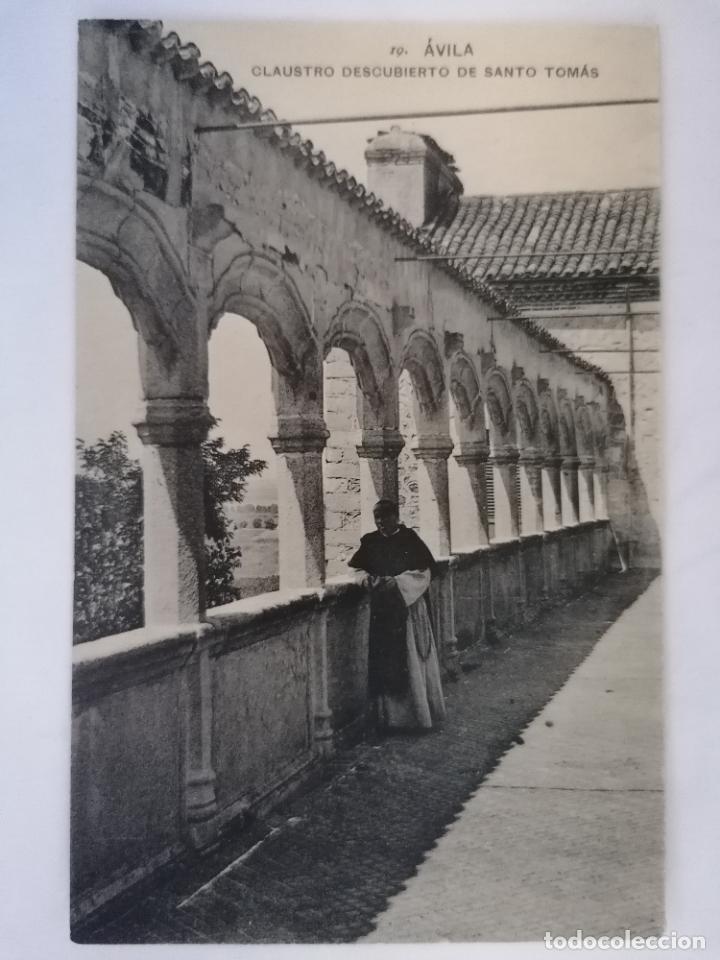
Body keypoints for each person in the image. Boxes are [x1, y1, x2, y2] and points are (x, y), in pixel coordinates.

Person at [349, 499, 446, 732]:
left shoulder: (410, 540)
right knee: (385, 661)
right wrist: (367, 581)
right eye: (377, 518)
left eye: (385, 517)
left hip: (408, 609)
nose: (381, 522)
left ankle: (416, 717)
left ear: (396, 517)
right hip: (382, 612)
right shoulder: (370, 542)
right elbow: (357, 569)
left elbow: (424, 572)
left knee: (411, 659)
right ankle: (390, 719)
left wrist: (396, 584)